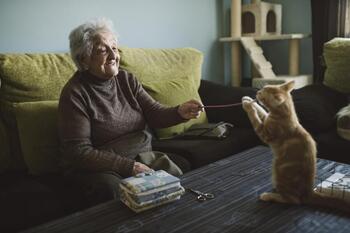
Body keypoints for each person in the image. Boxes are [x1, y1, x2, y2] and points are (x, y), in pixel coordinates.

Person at [58, 18, 203, 205]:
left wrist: (179, 112)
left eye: (115, 47)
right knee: (116, 192)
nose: (113, 55)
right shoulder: (75, 94)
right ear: (83, 59)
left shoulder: (126, 79)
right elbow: (78, 152)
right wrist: (129, 167)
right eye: (103, 50)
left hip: (140, 156)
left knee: (176, 179)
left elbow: (154, 113)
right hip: (99, 168)